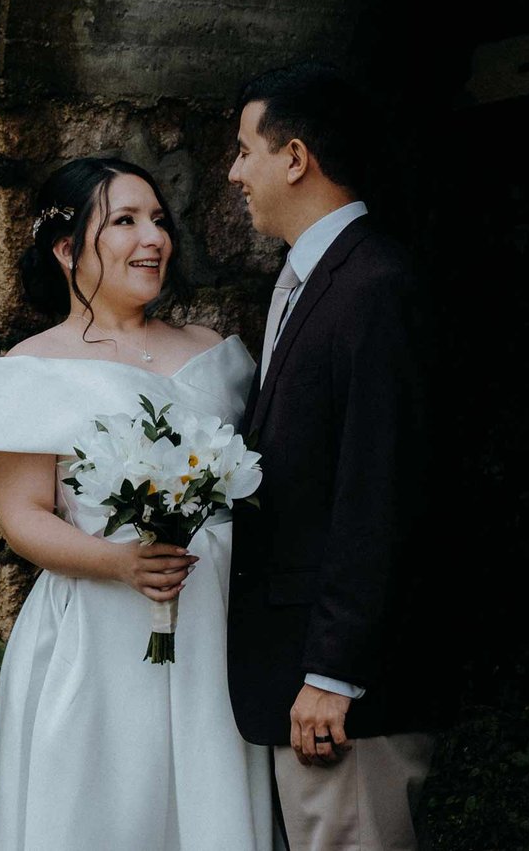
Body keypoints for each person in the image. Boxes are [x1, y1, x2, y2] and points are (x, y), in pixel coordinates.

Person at [0, 157, 280, 851]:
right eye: (125, 221)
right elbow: (23, 515)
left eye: (159, 220)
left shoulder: (215, 355)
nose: (154, 238)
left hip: (214, 625)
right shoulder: (29, 371)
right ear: (66, 248)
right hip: (98, 633)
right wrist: (121, 563)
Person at [225, 62, 444, 851]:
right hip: (295, 677)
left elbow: (379, 486)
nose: (234, 173)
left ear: (295, 157)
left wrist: (332, 672)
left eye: (244, 150)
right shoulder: (306, 280)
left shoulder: (374, 284)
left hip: (343, 694)